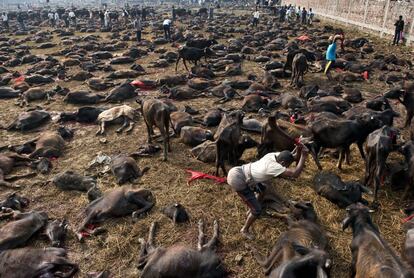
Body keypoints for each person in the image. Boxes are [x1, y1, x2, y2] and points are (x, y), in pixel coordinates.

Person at [227, 144, 309, 239]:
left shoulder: (273, 156)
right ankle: (244, 229)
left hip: (241, 172)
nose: (285, 169)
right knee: (257, 210)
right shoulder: (274, 167)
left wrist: (299, 148)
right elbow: (294, 174)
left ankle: (251, 209)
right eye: (286, 166)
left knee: (263, 189)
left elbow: (292, 156)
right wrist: (304, 156)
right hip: (238, 180)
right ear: (282, 163)